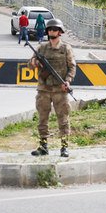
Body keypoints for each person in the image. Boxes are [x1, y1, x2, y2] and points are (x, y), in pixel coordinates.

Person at [28, 19, 77, 157]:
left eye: (55, 29)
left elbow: (72, 67)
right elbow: (30, 65)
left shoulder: (65, 48)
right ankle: (43, 146)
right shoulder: (41, 48)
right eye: (49, 29)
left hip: (60, 90)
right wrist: (35, 62)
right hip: (44, 89)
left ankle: (64, 147)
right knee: (43, 119)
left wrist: (67, 81)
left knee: (63, 119)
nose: (52, 32)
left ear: (60, 32)